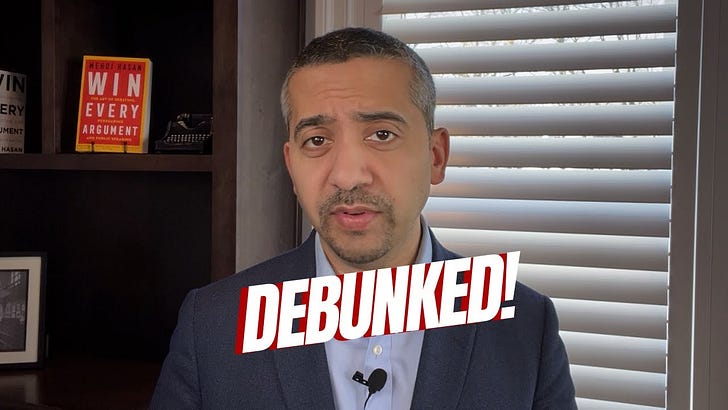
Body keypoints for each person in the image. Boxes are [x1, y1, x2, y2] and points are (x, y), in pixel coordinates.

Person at [150, 27, 577, 409]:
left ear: (435, 156)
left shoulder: (526, 327)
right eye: (317, 140)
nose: (348, 175)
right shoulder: (212, 325)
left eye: (381, 134)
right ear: (292, 167)